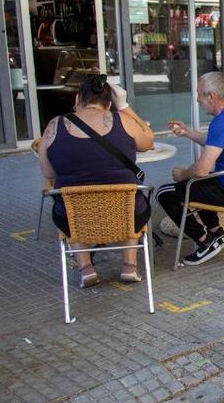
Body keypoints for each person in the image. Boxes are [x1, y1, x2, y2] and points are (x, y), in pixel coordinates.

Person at [38, 74, 155, 288]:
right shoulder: (125, 121)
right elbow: (148, 140)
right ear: (110, 102)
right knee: (130, 198)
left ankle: (86, 269)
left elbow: (49, 173)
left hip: (75, 220)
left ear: (78, 98)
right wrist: (125, 106)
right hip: (128, 216)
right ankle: (129, 266)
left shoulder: (55, 126)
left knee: (72, 198)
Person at [156, 72, 224, 266]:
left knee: (164, 193)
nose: (197, 99)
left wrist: (182, 174)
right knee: (198, 184)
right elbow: (216, 142)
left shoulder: (221, 123)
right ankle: (216, 233)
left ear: (211, 96)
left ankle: (204, 243)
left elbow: (201, 170)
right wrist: (188, 131)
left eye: (199, 94)